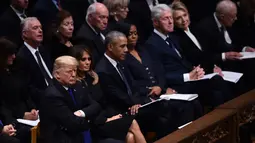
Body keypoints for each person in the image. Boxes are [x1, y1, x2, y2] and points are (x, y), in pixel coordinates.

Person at [145, 4, 232, 107]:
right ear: (155, 22)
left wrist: (196, 70)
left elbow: (183, 60)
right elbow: (160, 74)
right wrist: (188, 76)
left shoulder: (171, 37)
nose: (170, 22)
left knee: (217, 81)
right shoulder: (152, 44)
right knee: (215, 85)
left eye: (171, 18)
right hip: (177, 85)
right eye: (165, 19)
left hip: (188, 80)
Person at [96, 31, 178, 139]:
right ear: (110, 47)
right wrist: (140, 102)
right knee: (161, 114)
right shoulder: (103, 70)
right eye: (122, 46)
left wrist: (149, 93)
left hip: (134, 104)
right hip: (121, 110)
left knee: (169, 106)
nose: (126, 50)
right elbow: (117, 96)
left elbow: (133, 86)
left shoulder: (120, 62)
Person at [71, 47, 147, 143]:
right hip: (96, 123)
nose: (87, 62)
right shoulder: (77, 84)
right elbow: (89, 108)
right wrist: (106, 119)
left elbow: (106, 101)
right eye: (83, 59)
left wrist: (113, 116)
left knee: (130, 137)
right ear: (75, 61)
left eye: (89, 59)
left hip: (107, 115)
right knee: (133, 123)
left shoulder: (93, 77)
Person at [195, 0, 255, 91]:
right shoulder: (205, 28)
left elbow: (235, 43)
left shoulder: (230, 22)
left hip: (235, 60)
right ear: (222, 17)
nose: (236, 19)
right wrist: (224, 56)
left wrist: (244, 48)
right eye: (233, 17)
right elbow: (206, 55)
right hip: (220, 64)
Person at [0, 38, 37, 143]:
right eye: (10, 54)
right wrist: (22, 115)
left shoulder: (16, 69)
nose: (14, 57)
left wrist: (32, 109)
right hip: (10, 117)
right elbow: (3, 105)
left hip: (24, 113)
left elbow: (25, 92)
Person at [171, 1, 223, 74]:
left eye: (185, 15)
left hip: (211, 70)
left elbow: (208, 53)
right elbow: (189, 62)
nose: (183, 20)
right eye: (178, 18)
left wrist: (215, 66)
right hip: (199, 74)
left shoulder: (196, 29)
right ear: (173, 21)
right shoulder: (176, 38)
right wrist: (211, 69)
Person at [14, 17, 53, 106]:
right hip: (43, 99)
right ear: (25, 34)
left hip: (55, 91)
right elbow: (28, 88)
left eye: (40, 28)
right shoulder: (21, 57)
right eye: (35, 28)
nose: (40, 31)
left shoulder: (43, 49)